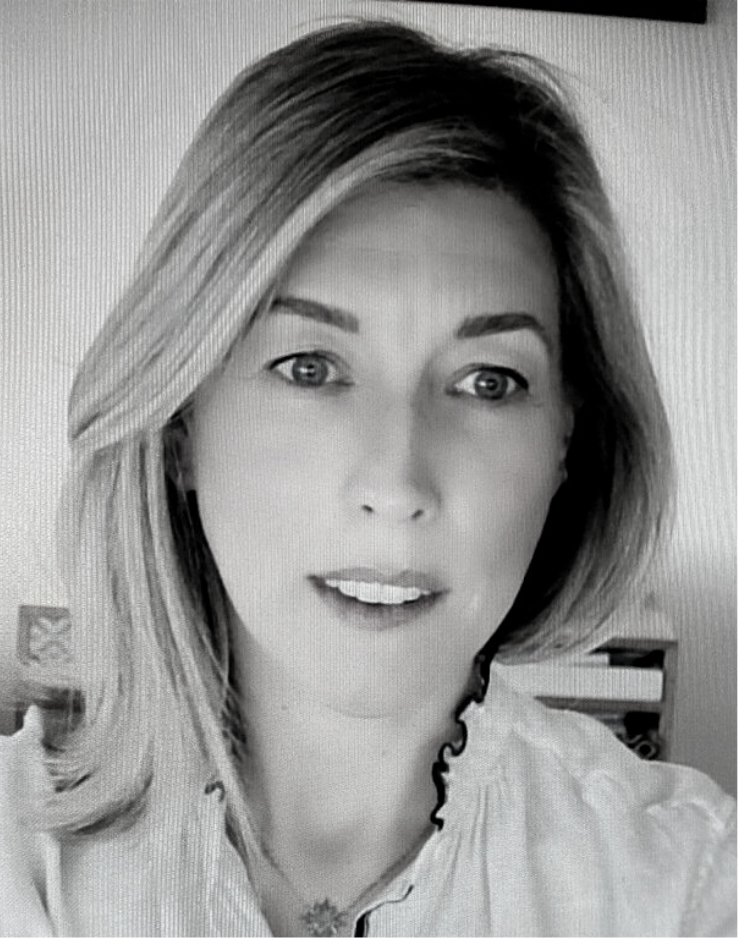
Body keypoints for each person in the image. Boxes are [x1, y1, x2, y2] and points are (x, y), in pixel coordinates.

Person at [0, 19, 734, 938]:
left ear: (566, 446)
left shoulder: (687, 884)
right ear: (180, 420)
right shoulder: (22, 862)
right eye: (310, 367)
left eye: (488, 381)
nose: (397, 483)